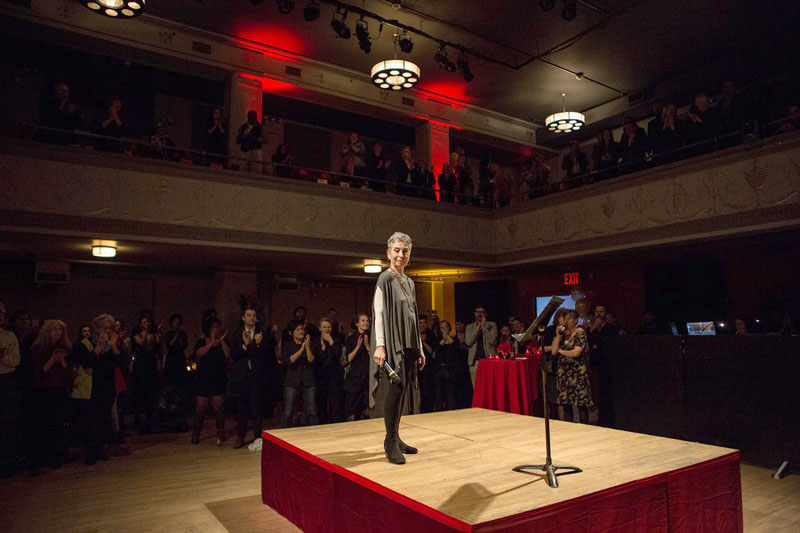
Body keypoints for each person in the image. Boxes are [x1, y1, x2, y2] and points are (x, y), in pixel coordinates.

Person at [371, 232, 426, 464]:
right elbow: (379, 313)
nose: (400, 254)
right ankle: (390, 440)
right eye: (396, 250)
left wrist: (420, 348)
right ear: (388, 254)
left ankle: (397, 437)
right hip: (392, 343)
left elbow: (413, 317)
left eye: (405, 251)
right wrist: (380, 345)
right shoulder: (384, 279)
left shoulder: (410, 282)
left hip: (410, 343)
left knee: (404, 390)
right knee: (397, 387)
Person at [72, 314, 120, 464]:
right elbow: (87, 363)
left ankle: (100, 449)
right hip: (90, 388)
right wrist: (99, 346)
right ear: (96, 329)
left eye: (109, 328)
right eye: (104, 328)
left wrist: (112, 346)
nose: (107, 331)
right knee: (90, 421)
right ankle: (90, 453)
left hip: (107, 387)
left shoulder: (112, 345)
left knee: (103, 419)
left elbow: (121, 364)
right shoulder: (85, 344)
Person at [29, 319, 71, 470]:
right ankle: (43, 457)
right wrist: (53, 359)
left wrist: (62, 361)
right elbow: (39, 372)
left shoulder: (65, 347)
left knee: (58, 424)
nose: (57, 332)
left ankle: (56, 456)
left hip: (59, 389)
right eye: (54, 329)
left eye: (60, 330)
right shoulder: (39, 348)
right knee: (44, 424)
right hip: (44, 390)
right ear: (48, 331)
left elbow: (69, 372)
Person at [230, 306, 270, 448]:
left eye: (253, 315)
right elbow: (233, 354)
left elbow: (266, 355)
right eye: (248, 315)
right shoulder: (236, 334)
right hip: (242, 375)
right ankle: (240, 436)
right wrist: (246, 346)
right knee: (241, 407)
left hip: (256, 375)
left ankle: (257, 436)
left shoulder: (262, 334)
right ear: (243, 318)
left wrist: (257, 345)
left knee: (257, 407)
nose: (251, 317)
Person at [191, 318, 229, 446]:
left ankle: (220, 432)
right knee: (200, 407)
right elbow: (199, 353)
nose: (215, 329)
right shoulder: (202, 341)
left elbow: (228, 355)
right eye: (213, 327)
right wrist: (212, 341)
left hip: (218, 378)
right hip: (203, 378)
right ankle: (196, 433)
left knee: (218, 407)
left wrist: (221, 340)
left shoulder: (223, 341)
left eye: (217, 327)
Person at [552, 310, 593, 424]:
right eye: (564, 319)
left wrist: (561, 351)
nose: (566, 321)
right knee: (566, 403)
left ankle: (585, 429)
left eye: (569, 318)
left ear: (575, 320)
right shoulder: (562, 333)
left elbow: (576, 353)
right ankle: (569, 429)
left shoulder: (580, 333)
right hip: (564, 373)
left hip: (578, 373)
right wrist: (558, 337)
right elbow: (554, 351)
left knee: (581, 403)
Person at [281, 320, 319, 427]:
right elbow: (289, 361)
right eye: (297, 330)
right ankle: (284, 435)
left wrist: (306, 347)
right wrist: (300, 349)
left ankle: (315, 434)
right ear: (291, 332)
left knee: (312, 411)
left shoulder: (310, 344)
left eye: (302, 329)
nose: (301, 332)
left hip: (308, 380)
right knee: (288, 411)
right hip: (292, 381)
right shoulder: (288, 345)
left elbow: (311, 360)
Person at [0, 302, 21, 478]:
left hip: (5, 380)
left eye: (3, 312)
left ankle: (6, 462)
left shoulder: (9, 336)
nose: (1, 315)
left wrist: (3, 357)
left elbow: (15, 361)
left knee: (7, 423)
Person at [131, 316, 162, 434]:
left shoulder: (153, 335)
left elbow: (159, 344)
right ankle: (138, 418)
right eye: (144, 322)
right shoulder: (137, 335)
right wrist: (144, 333)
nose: (147, 324)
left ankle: (150, 418)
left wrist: (158, 332)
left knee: (151, 391)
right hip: (141, 365)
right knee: (140, 391)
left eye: (148, 322)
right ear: (140, 324)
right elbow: (141, 343)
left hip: (151, 364)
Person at [313, 318, 343, 424]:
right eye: (324, 327)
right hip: (320, 377)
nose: (326, 329)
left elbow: (338, 355)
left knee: (334, 405)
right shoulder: (315, 342)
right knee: (321, 404)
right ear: (320, 328)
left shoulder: (337, 340)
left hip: (334, 377)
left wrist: (331, 341)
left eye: (328, 327)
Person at [343, 314, 371, 421]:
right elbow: (349, 358)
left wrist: (367, 345)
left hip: (367, 374)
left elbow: (374, 358)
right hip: (355, 376)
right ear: (357, 323)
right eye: (363, 321)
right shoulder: (350, 338)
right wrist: (358, 346)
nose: (365, 323)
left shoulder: (372, 336)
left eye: (367, 321)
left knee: (364, 406)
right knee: (351, 406)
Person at [36, 81, 78, 146]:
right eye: (62, 90)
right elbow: (51, 119)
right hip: (47, 137)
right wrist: (62, 104)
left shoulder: (70, 107)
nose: (64, 93)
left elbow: (72, 124)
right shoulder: (48, 103)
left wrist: (72, 113)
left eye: (66, 91)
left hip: (62, 139)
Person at [465, 304, 497, 386]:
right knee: (476, 387)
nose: (479, 314)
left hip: (488, 360)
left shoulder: (492, 325)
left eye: (482, 312)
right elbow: (468, 342)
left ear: (485, 314)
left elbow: (492, 341)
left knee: (489, 385)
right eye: (477, 312)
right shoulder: (469, 327)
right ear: (474, 314)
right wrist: (477, 330)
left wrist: (484, 328)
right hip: (474, 362)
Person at [433, 320, 458, 412]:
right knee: (439, 392)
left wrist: (447, 336)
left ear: (449, 328)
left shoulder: (454, 339)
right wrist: (443, 339)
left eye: (446, 327)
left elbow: (454, 346)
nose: (444, 329)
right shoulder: (437, 340)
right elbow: (437, 349)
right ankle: (439, 411)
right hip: (440, 369)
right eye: (442, 327)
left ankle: (451, 410)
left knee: (450, 392)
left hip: (451, 369)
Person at [235, 109, 264, 174]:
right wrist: (243, 136)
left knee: (256, 171)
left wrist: (255, 139)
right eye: (250, 116)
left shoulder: (261, 127)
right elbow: (237, 141)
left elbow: (265, 139)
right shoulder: (243, 127)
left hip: (256, 151)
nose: (252, 118)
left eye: (253, 117)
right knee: (243, 170)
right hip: (245, 150)